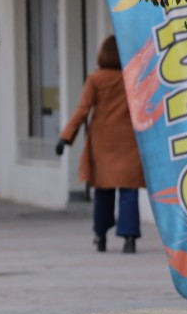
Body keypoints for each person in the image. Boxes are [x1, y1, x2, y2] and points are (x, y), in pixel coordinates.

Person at [57, 35, 145, 253]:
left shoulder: (96, 80)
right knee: (129, 191)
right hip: (129, 141)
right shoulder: (134, 79)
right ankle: (129, 237)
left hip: (103, 142)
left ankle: (100, 235)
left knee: (103, 191)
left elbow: (83, 110)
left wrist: (66, 137)